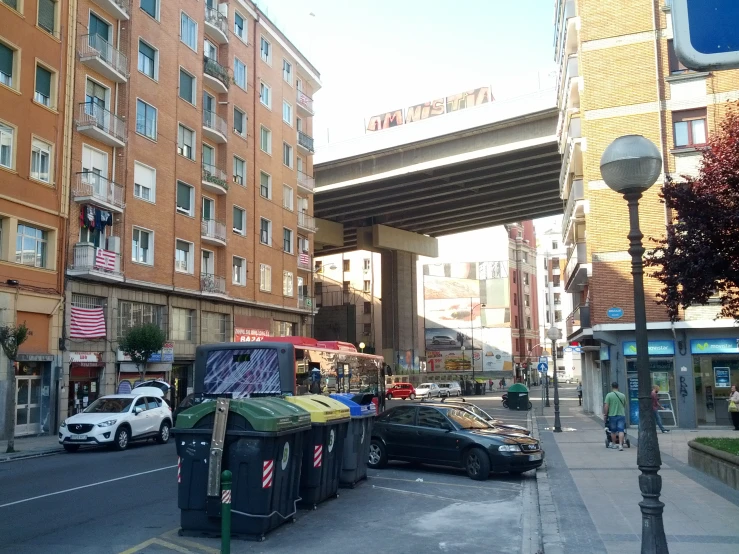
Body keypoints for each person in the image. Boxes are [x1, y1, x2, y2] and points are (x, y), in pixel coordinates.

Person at [603, 381, 627, 451]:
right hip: (621, 415)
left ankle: (613, 444)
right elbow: (625, 405)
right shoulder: (622, 395)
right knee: (621, 430)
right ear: (618, 387)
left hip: (612, 415)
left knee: (613, 431)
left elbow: (606, 406)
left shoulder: (609, 395)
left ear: (612, 387)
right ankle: (620, 445)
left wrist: (605, 414)